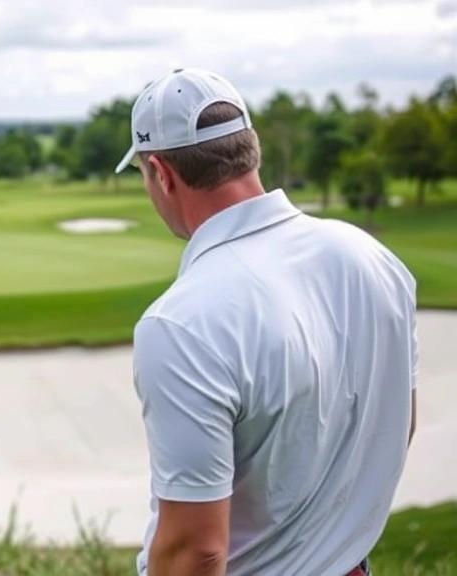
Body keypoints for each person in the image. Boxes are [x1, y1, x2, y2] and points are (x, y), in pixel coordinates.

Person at [114, 68, 418, 576]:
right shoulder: (373, 258)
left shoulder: (180, 323)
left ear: (162, 174)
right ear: (248, 149)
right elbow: (396, 423)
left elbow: (198, 550)